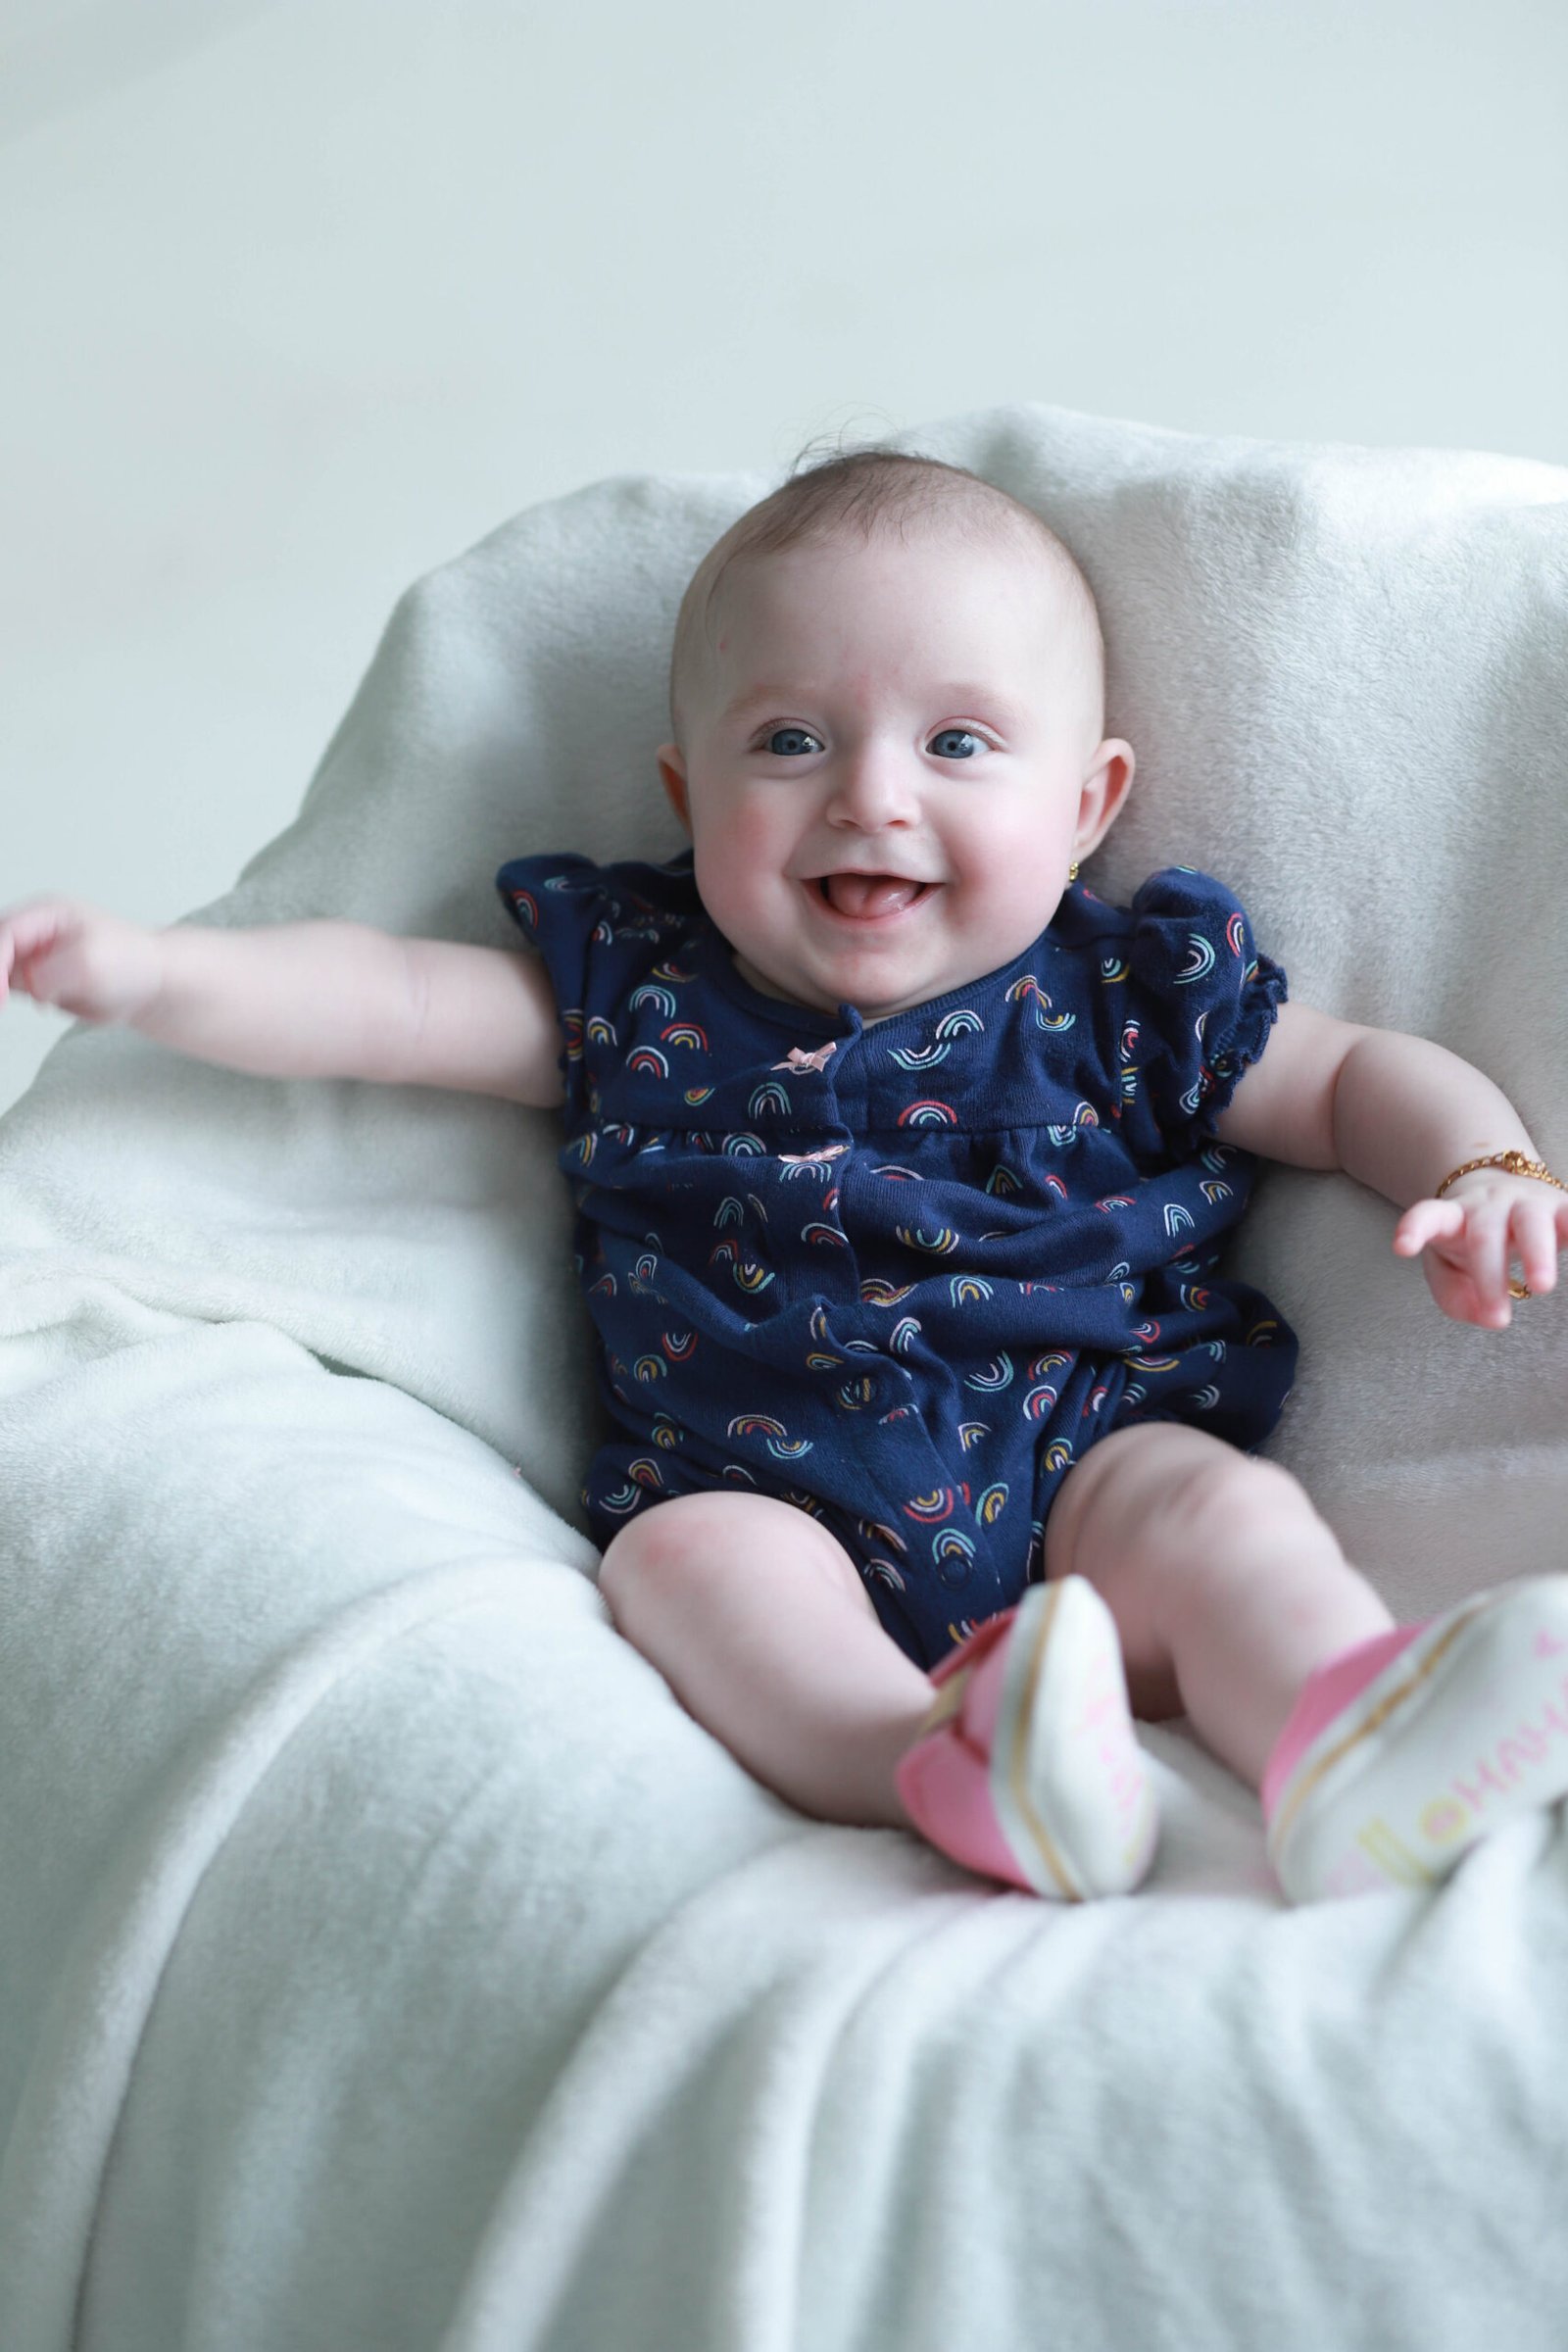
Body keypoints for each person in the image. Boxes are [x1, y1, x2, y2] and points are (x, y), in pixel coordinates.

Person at [6, 449, 1567, 1907]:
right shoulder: (645, 997)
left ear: (1086, 805)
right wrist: (155, 976)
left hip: (1088, 1442)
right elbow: (391, 1002)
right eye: (791, 741)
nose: (871, 794)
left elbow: (1351, 1081)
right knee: (685, 1567)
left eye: (958, 744)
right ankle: (937, 1762)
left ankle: (1340, 1728)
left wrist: (1483, 1166)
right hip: (763, 1488)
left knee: (1220, 1518)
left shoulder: (1122, 999)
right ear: (691, 800)